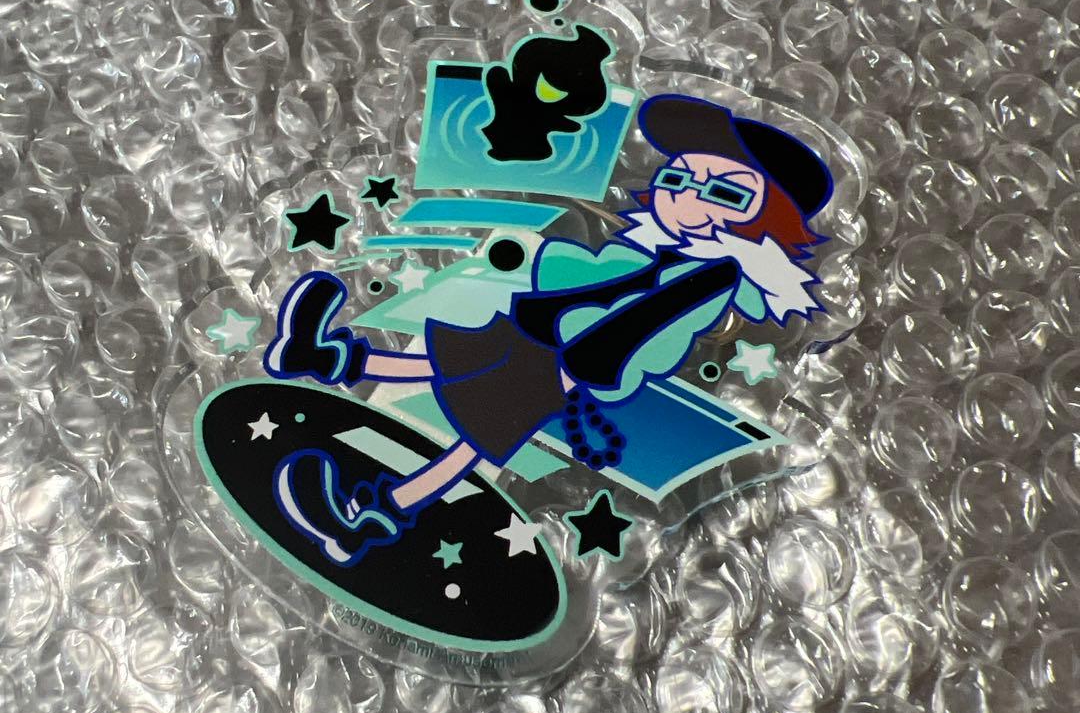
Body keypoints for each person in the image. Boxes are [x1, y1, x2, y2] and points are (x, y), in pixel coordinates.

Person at [265, 95, 833, 566]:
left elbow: (642, 326)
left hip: (568, 362)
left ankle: (371, 519)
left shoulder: (709, 276)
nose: (685, 193)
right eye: (681, 175)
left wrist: (580, 357)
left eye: (724, 191)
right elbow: (606, 282)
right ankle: (323, 358)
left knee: (474, 439)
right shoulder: (652, 246)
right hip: (544, 332)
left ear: (763, 221)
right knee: (449, 360)